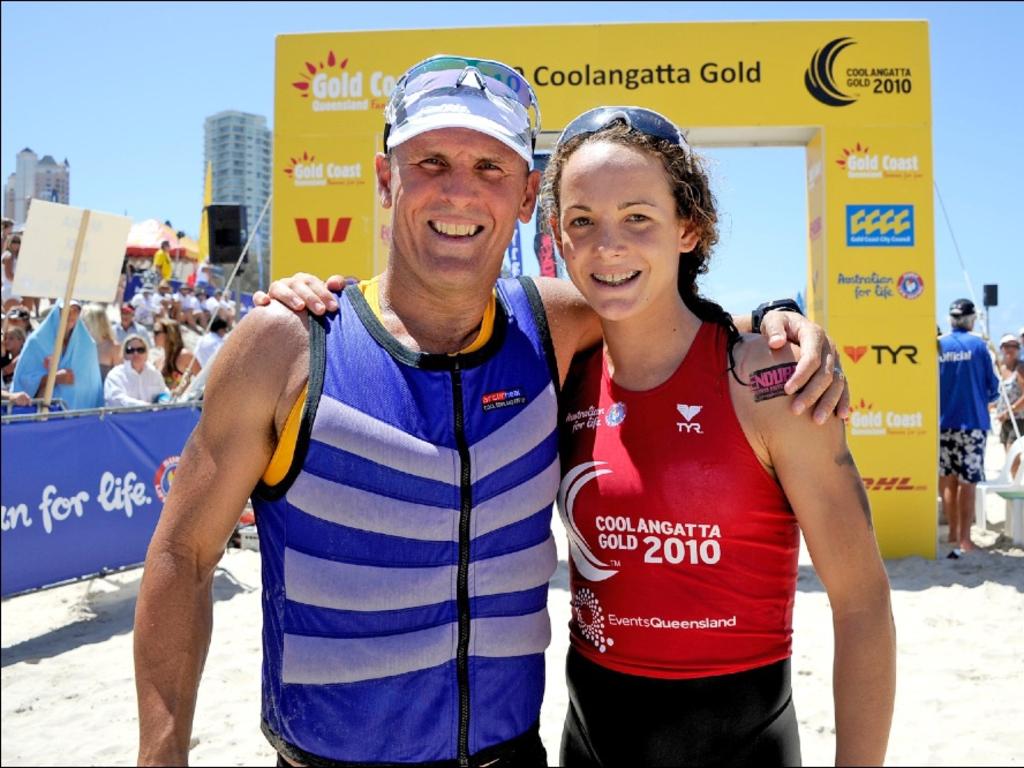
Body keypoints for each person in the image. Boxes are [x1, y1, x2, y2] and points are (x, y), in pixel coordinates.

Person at [134, 55, 847, 768]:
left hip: (514, 758)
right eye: (431, 161)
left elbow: (670, 312)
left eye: (490, 169)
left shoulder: (553, 323)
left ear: (527, 193)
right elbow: (183, 555)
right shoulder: (287, 345)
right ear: (386, 179)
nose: (459, 193)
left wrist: (780, 323)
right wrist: (160, 754)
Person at [527, 106, 892, 766]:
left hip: (742, 739)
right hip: (590, 737)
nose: (608, 242)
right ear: (560, 235)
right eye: (583, 220)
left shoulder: (770, 384)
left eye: (638, 216)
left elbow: (862, 605)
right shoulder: (560, 366)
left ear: (688, 227)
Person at [938, 298, 1000, 555]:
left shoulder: (939, 346)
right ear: (972, 319)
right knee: (968, 483)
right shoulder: (979, 346)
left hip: (942, 422)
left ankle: (953, 533)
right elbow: (993, 389)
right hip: (972, 423)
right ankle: (965, 539)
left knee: (948, 481)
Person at [11, 298, 102, 410]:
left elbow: (92, 385)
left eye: (75, 310)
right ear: (56, 312)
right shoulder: (36, 342)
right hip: (44, 417)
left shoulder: (87, 345)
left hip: (80, 416)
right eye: (66, 310)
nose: (71, 314)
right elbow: (23, 380)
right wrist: (54, 378)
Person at [104, 334, 169, 407]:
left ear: (147, 353)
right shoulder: (115, 375)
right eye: (130, 350)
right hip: (127, 417)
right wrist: (146, 406)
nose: (136, 353)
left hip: (152, 416)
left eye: (140, 350)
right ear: (124, 354)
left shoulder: (154, 373)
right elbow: (115, 399)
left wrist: (163, 399)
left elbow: (163, 392)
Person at [995, 332, 1024, 474]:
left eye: (1013, 346)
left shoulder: (1021, 369)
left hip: (1018, 419)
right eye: (1006, 346)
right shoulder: (1001, 369)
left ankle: (1017, 491)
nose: (1010, 349)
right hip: (1005, 420)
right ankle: (1015, 488)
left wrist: (1009, 411)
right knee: (1009, 457)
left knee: (1013, 457)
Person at [151, 318, 197, 391]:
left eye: (156, 332)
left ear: (170, 334)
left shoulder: (184, 356)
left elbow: (203, 381)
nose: (153, 336)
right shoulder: (158, 361)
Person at [80, 303, 122, 382]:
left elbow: (120, 377)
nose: (82, 324)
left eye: (85, 320)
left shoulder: (113, 347)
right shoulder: (81, 345)